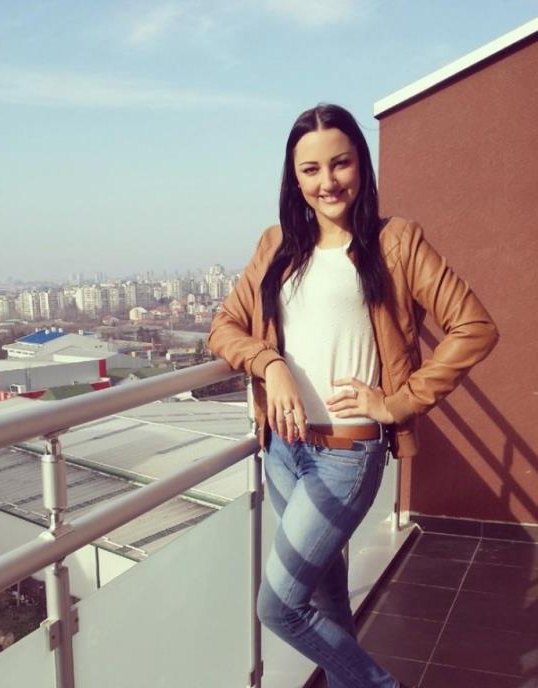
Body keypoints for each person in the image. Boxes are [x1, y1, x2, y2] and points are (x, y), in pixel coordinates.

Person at [207, 104, 498, 688]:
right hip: (283, 448)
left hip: (346, 454)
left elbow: (475, 327)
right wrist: (270, 364)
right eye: (310, 169)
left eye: (339, 163)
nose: (327, 182)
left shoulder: (396, 242)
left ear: (361, 165)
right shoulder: (276, 245)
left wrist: (396, 403)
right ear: (294, 179)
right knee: (324, 593)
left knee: (278, 605)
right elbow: (224, 327)